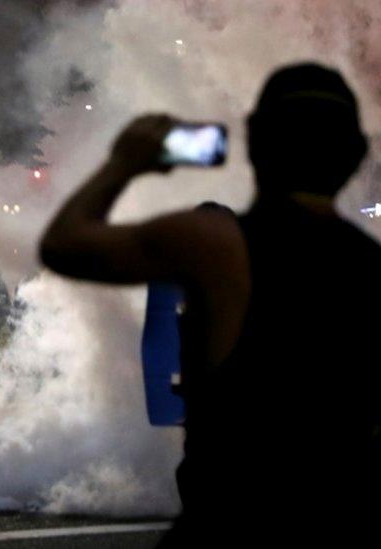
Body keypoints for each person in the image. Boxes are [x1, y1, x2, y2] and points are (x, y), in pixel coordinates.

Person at [38, 63, 378, 546]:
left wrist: (125, 163)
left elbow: (64, 245)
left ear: (257, 146)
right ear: (354, 154)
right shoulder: (371, 267)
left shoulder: (217, 245)